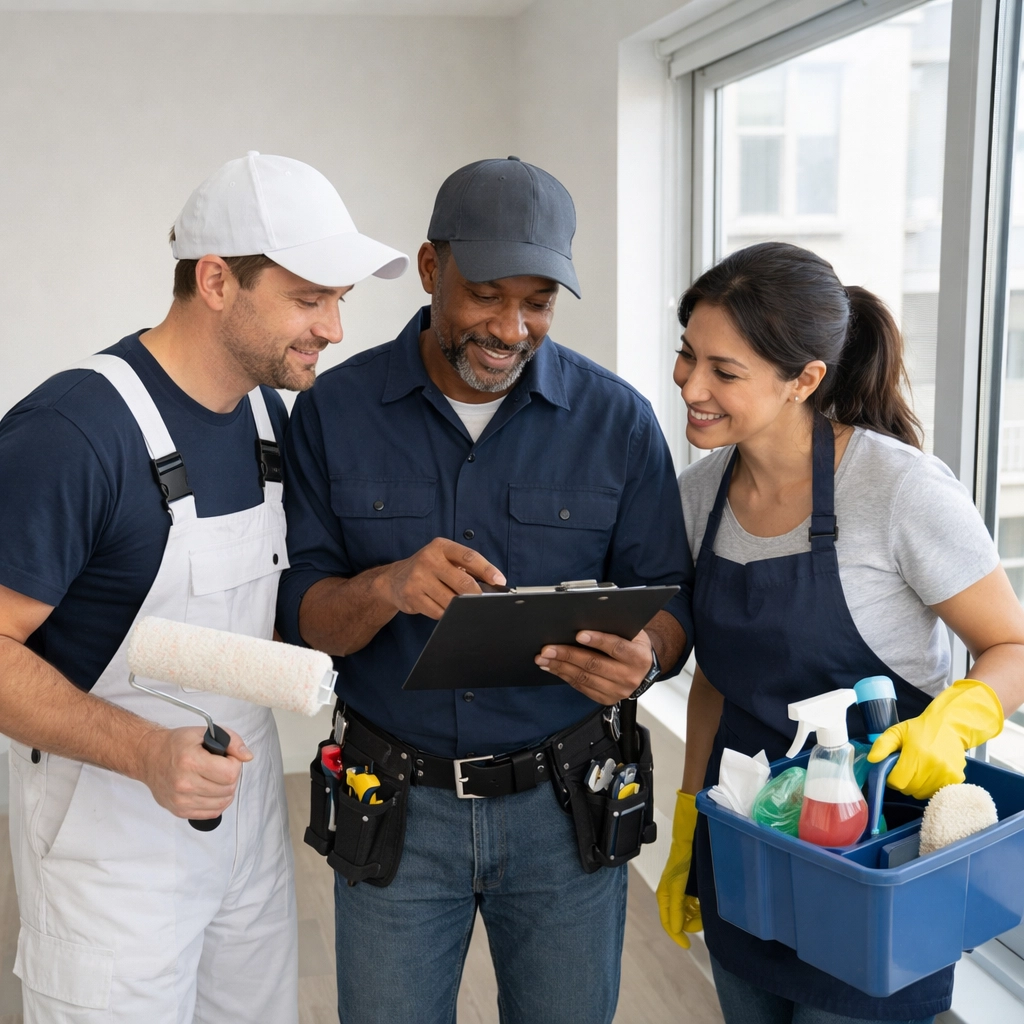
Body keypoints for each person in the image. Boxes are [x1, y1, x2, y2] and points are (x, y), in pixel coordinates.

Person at [278, 156, 693, 1024]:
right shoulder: (330, 412)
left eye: (537, 302)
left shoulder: (618, 422)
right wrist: (389, 586)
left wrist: (647, 656)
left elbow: (672, 604)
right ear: (432, 272)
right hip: (392, 805)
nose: (512, 326)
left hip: (567, 809)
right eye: (487, 294)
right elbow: (308, 619)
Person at [0, 152, 407, 1023]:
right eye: (309, 299)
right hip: (110, 837)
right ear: (216, 279)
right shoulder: (76, 430)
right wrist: (148, 754)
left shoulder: (268, 418)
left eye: (341, 301)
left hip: (243, 815)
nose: (335, 329)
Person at [656, 241, 1024, 1024]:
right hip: (751, 848)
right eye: (687, 356)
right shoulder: (698, 498)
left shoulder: (894, 490)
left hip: (877, 862)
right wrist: (691, 813)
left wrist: (956, 722)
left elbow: (1013, 645)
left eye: (724, 371)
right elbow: (720, 675)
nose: (690, 385)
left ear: (805, 380)